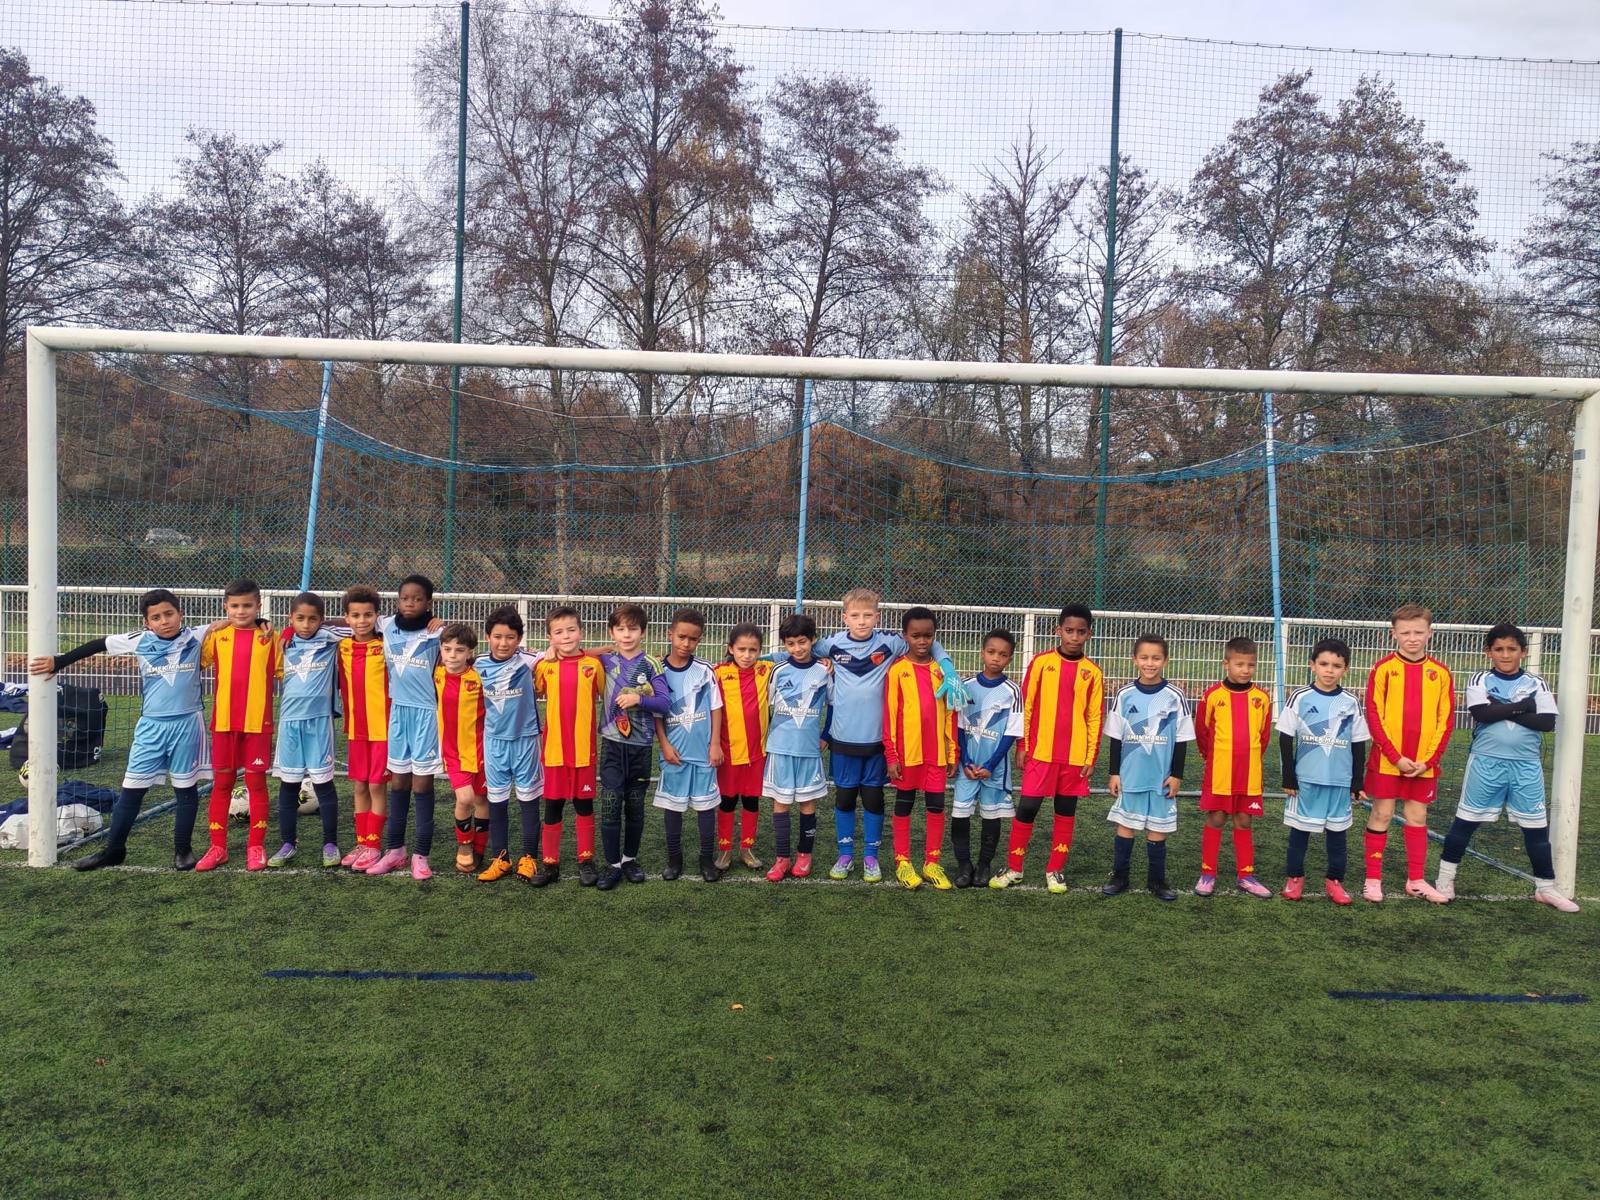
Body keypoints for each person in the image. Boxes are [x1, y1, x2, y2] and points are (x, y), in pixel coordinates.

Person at [28, 589, 216, 871]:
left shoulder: (197, 636)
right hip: (151, 727)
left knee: (185, 789)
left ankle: (183, 850)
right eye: (156, 617)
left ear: (181, 614)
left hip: (188, 724)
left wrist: (261, 622)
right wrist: (60, 661)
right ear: (146, 623)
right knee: (132, 790)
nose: (164, 621)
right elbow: (99, 644)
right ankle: (114, 850)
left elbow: (234, 621)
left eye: (169, 614)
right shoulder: (139, 640)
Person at [813, 588, 968, 883]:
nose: (861, 621)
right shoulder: (831, 644)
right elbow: (801, 649)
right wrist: (770, 656)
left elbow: (926, 640)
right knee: (844, 799)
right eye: (855, 615)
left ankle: (871, 857)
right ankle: (845, 855)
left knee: (874, 800)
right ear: (844, 617)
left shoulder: (891, 642)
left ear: (878, 616)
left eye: (867, 615)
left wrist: (947, 665)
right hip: (843, 740)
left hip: (876, 743)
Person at [1434, 624, 1577, 912]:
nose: (1505, 654)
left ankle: (1546, 888)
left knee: (1536, 829)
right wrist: (1525, 706)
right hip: (1486, 763)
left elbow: (1546, 722)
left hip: (1526, 766)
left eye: (1512, 649)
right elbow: (1481, 713)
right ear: (1489, 652)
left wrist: (1501, 707)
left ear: (1523, 652)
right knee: (1465, 822)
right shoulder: (1480, 679)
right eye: (1498, 649)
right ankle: (1444, 880)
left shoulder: (1537, 683)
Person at [992, 603, 1103, 894]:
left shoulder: (1092, 672)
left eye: (1081, 632)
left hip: (1074, 756)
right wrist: (1022, 744)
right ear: (1058, 631)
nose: (1074, 637)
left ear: (1089, 634)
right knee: (1027, 808)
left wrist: (1091, 756)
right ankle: (1014, 868)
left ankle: (1055, 870)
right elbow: (1026, 706)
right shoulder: (1041, 662)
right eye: (1069, 630)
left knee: (1065, 812)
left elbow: (1095, 716)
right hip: (1040, 753)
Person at [1362, 603, 1453, 904]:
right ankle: (1372, 879)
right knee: (1382, 814)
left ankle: (1416, 880)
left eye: (1418, 632)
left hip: (1423, 764)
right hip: (1389, 762)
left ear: (1430, 633)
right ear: (1394, 634)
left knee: (1417, 816)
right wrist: (1395, 757)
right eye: (1405, 633)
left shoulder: (1440, 673)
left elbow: (1445, 720)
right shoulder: (1383, 669)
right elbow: (1374, 716)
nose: (1412, 638)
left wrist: (1429, 760)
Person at [196, 579, 282, 873]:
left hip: (258, 724)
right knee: (222, 784)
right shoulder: (218, 635)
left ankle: (256, 846)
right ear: (226, 607)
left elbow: (286, 669)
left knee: (256, 784)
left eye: (247, 605)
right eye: (234, 606)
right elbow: (197, 660)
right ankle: (217, 847)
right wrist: (210, 628)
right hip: (224, 723)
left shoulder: (270, 636)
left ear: (258, 606)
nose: (241, 611)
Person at [363, 575, 444, 881]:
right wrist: (285, 629)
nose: (410, 603)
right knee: (398, 784)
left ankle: (421, 855)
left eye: (418, 599)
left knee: (421, 786)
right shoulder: (385, 625)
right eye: (405, 598)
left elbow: (466, 645)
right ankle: (395, 850)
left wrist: (445, 625)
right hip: (398, 713)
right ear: (397, 601)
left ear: (428, 603)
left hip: (426, 716)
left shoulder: (438, 632)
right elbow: (346, 623)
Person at [1278, 637, 1368, 906]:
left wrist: (1357, 782)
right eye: (1324, 664)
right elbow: (1285, 737)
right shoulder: (1300, 697)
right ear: (1312, 665)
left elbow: (1359, 743)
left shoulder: (1350, 702)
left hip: (1339, 781)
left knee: (1338, 835)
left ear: (1345, 669)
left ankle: (1335, 882)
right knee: (1299, 833)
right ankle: (1295, 878)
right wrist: (1288, 776)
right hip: (1306, 779)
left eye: (1336, 666)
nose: (1329, 670)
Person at [1103, 633, 1192, 902]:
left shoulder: (1175, 696)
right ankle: (1120, 876)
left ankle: (1157, 881)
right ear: (1135, 660)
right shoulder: (1124, 695)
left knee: (1158, 829)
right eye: (1144, 658)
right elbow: (1116, 737)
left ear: (1165, 660)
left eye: (1156, 658)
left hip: (1161, 777)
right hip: (1131, 775)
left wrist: (1176, 775)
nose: (1150, 663)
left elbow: (1182, 739)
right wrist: (1114, 772)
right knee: (1125, 826)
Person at [882, 607, 959, 890]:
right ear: (905, 636)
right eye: (916, 636)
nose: (922, 641)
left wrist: (952, 752)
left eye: (928, 635)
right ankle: (903, 862)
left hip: (936, 755)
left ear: (934, 636)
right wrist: (891, 755)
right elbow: (889, 717)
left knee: (936, 807)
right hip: (907, 755)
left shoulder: (942, 671)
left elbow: (951, 714)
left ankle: (931, 863)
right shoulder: (897, 671)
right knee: (904, 805)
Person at [595, 604, 671, 888]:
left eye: (633, 629)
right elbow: (576, 654)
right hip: (613, 744)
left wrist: (639, 699)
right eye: (621, 629)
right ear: (611, 632)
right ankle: (612, 864)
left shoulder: (651, 664)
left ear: (643, 632)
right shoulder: (605, 661)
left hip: (641, 746)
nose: (627, 635)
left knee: (635, 805)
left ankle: (629, 860)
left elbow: (664, 703)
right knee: (611, 802)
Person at [267, 592, 343, 869]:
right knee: (288, 785)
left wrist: (327, 624)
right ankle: (288, 843)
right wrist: (286, 631)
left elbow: (356, 622)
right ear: (290, 618)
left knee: (323, 784)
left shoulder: (329, 639)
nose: (306, 624)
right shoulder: (283, 642)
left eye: (313, 619)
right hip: (290, 722)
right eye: (299, 618)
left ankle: (330, 844)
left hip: (319, 722)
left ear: (321, 620)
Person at [1194, 636, 1273, 898]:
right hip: (1219, 773)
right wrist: (1211, 758)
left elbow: (1263, 737)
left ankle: (1246, 875)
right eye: (1240, 664)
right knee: (1217, 818)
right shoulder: (1213, 696)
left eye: (1251, 665)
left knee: (1244, 820)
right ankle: (1207, 873)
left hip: (1249, 774)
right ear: (1226, 664)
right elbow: (1202, 732)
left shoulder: (1261, 698)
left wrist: (1251, 758)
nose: (1245, 670)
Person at [531, 606, 603, 886]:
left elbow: (605, 693)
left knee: (584, 805)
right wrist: (543, 655)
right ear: (550, 637)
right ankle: (550, 864)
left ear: (581, 632)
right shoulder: (545, 666)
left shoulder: (593, 665)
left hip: (584, 751)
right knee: (553, 806)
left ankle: (586, 861)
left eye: (571, 630)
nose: (566, 636)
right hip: (554, 752)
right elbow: (536, 687)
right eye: (559, 632)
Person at [652, 608, 725, 883]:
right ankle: (674, 859)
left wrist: (715, 743)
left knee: (705, 808)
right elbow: (656, 714)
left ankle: (706, 859)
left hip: (703, 752)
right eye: (681, 637)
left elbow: (716, 707)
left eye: (693, 639)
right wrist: (664, 745)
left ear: (699, 640)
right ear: (669, 634)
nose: (686, 643)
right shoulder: (658, 671)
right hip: (674, 753)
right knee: (673, 808)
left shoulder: (705, 671)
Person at [472, 606, 544, 883]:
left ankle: (529, 857)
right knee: (497, 801)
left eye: (510, 637)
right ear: (487, 637)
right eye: (498, 637)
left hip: (526, 739)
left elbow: (564, 652)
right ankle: (500, 859)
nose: (503, 643)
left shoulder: (530, 659)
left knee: (528, 799)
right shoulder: (477, 664)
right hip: (493, 742)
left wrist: (605, 650)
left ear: (519, 639)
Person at [951, 629, 1023, 888]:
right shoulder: (966, 686)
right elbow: (959, 726)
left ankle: (984, 864)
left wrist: (991, 765)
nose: (996, 658)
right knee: (960, 814)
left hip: (995, 767)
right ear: (982, 653)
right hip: (968, 766)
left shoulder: (1013, 691)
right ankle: (964, 864)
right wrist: (966, 762)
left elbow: (1012, 732)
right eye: (991, 652)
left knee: (991, 816)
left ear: (1010, 659)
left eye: (1003, 655)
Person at [764, 613, 833, 882]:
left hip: (808, 749)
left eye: (802, 642)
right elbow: (765, 706)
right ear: (784, 644)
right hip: (780, 748)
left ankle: (805, 855)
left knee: (807, 803)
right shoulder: (778, 671)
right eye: (790, 643)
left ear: (813, 640)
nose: (797, 648)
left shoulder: (825, 670)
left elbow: (832, 705)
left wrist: (826, 735)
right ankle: (781, 858)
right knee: (780, 803)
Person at [336, 586, 389, 871]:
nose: (361, 620)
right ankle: (361, 842)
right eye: (355, 615)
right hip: (357, 729)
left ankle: (374, 844)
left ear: (377, 616)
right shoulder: (341, 645)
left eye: (368, 615)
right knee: (359, 785)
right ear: (346, 618)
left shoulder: (387, 644)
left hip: (383, 729)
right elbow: (309, 627)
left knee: (376, 785)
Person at [712, 624, 771, 872]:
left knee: (751, 801)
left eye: (753, 650)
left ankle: (747, 848)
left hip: (756, 754)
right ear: (731, 649)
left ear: (760, 651)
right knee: (727, 801)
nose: (747, 655)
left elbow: (794, 657)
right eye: (741, 649)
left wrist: (824, 660)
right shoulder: (718, 672)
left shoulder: (766, 669)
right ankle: (724, 850)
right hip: (728, 753)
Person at [436, 623, 487, 880]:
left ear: (470, 652)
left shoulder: (479, 677)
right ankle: (465, 843)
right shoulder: (436, 674)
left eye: (459, 650)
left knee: (482, 800)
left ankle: (480, 848)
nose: (452, 655)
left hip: (482, 749)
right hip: (454, 751)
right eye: (447, 649)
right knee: (465, 799)